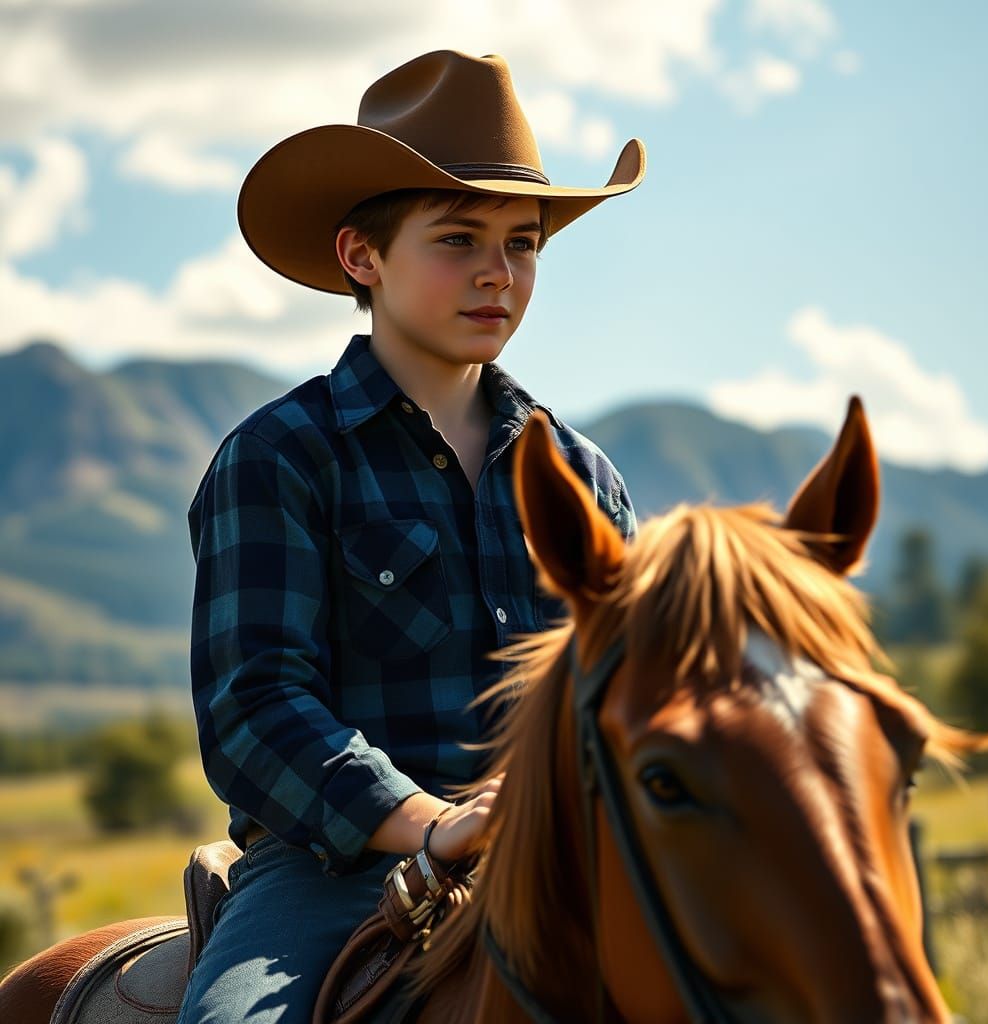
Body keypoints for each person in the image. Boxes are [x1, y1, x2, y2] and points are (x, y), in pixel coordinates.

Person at [177, 49, 645, 1023]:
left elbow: (639, 691)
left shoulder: (586, 480)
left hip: (567, 854)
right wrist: (432, 823)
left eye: (522, 244)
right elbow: (254, 706)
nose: (497, 273)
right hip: (330, 871)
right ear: (363, 257)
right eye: (458, 239)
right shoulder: (281, 457)